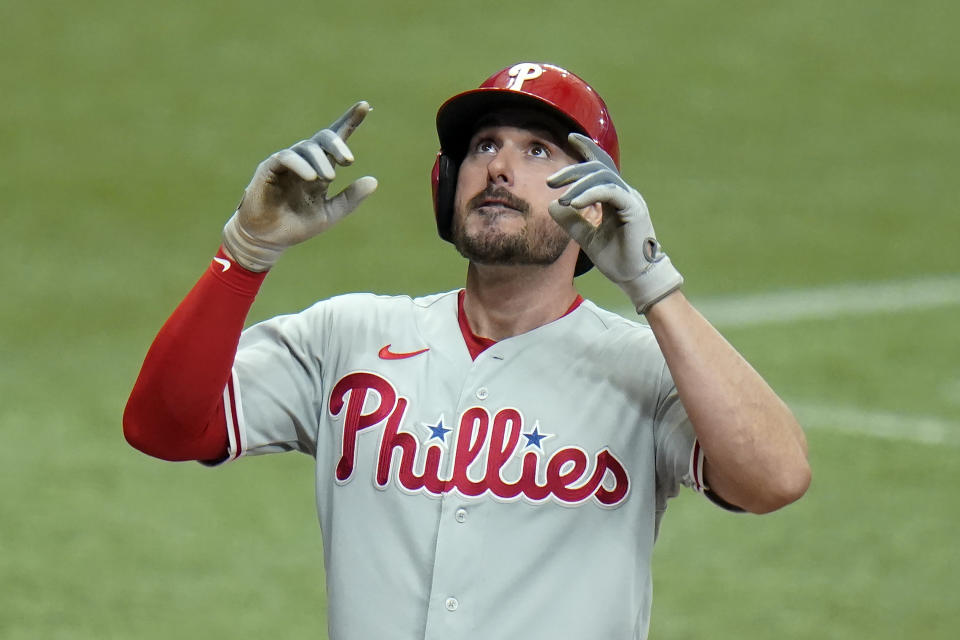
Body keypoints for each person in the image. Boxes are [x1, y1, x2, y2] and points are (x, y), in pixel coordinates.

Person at [124, 62, 810, 640]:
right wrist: (246, 253)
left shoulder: (644, 370)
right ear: (448, 183)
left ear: (598, 199)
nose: (500, 168)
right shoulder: (349, 338)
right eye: (484, 146)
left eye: (538, 150)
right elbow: (162, 428)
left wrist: (653, 283)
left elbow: (775, 479)